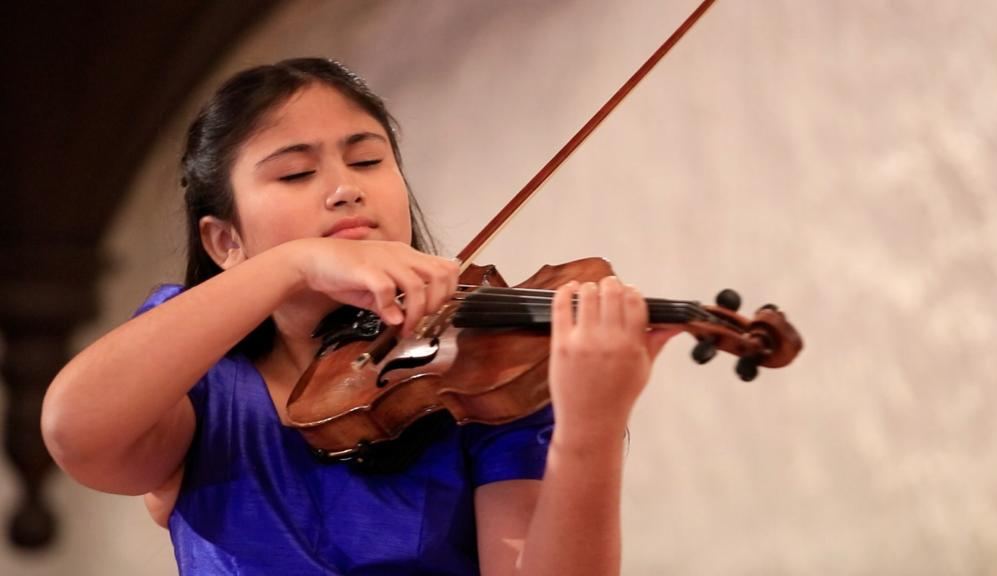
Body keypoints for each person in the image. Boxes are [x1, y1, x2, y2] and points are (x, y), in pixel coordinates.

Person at [41, 58, 682, 575]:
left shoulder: (478, 379)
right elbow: (76, 430)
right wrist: (294, 265)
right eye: (295, 173)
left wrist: (591, 430)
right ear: (225, 243)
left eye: (368, 160)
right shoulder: (195, 379)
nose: (347, 187)